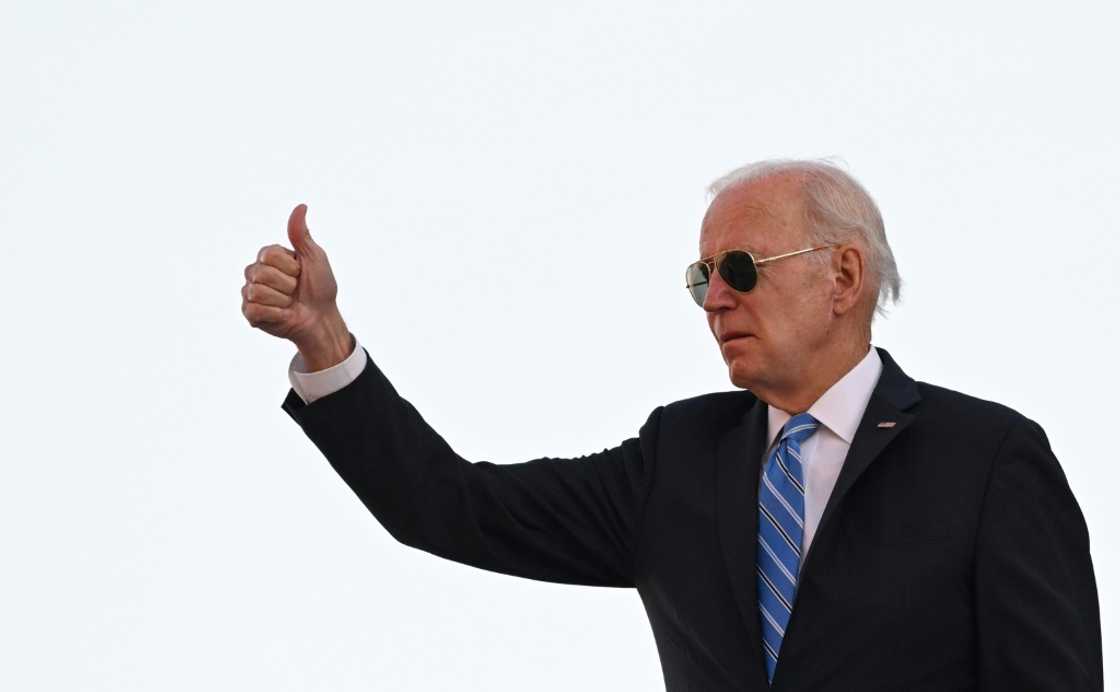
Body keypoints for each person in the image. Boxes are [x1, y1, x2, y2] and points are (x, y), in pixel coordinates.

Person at [241, 159, 1103, 690]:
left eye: (741, 268)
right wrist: (325, 342)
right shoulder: (677, 460)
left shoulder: (988, 461)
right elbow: (451, 506)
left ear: (844, 275)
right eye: (702, 278)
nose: (716, 297)